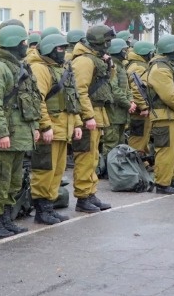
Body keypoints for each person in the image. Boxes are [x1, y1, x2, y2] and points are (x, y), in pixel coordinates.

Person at [0, 24, 41, 240]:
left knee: (14, 181)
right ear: (15, 44)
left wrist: (34, 128)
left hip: (20, 134)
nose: (26, 46)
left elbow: (31, 101)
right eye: (24, 42)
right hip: (5, 136)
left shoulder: (20, 67)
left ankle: (6, 220)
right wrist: (1, 133)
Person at [29, 32, 81, 224]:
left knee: (57, 171)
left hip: (63, 128)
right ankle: (42, 211)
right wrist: (45, 126)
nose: (63, 52)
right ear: (50, 49)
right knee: (44, 172)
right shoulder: (40, 69)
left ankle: (49, 207)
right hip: (51, 129)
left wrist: (76, 123)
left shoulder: (61, 68)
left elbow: (72, 98)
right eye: (60, 48)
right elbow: (38, 100)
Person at [68, 25, 114, 213]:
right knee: (85, 157)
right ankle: (83, 197)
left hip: (97, 113)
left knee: (93, 157)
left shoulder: (94, 58)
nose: (109, 45)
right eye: (106, 41)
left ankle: (90, 192)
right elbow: (80, 91)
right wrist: (87, 116)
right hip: (89, 113)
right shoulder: (84, 61)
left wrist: (109, 65)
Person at [145, 34, 174, 194]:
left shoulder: (168, 66)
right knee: (165, 152)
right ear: (171, 49)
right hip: (164, 115)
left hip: (171, 115)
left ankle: (172, 179)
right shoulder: (160, 69)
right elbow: (169, 96)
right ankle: (163, 184)